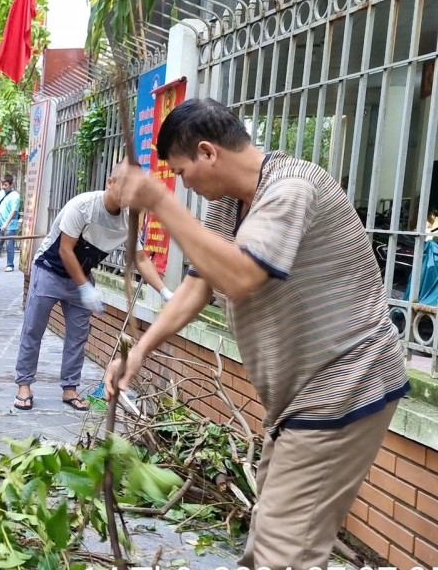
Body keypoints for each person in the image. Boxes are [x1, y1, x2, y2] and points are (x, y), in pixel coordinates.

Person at [106, 99, 409, 568]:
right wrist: (140, 351)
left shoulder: (291, 188)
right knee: (270, 533)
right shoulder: (231, 203)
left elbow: (240, 276)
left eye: (183, 172)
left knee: (284, 552)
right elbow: (200, 283)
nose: (184, 185)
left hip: (346, 384)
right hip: (301, 395)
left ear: (208, 153)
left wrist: (159, 202)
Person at [14, 165, 170, 411]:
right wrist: (86, 288)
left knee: (78, 336)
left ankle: (69, 388)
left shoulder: (129, 219)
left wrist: (165, 292)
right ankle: (24, 385)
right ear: (111, 182)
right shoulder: (83, 206)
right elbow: (65, 250)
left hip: (82, 277)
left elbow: (140, 259)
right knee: (34, 329)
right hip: (50, 270)